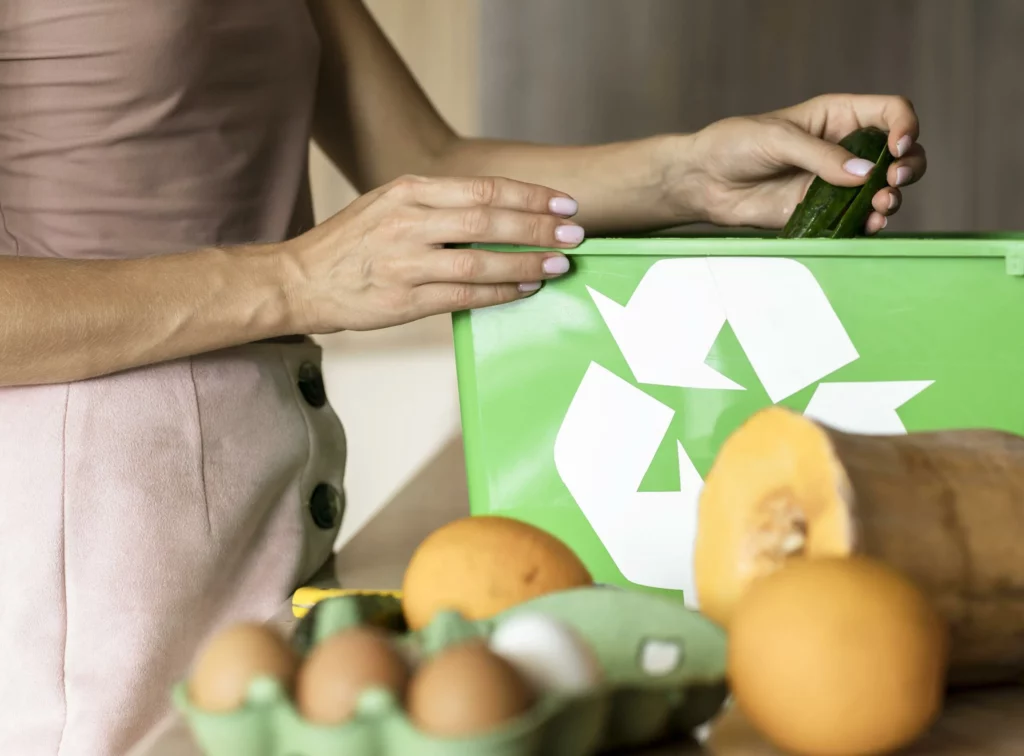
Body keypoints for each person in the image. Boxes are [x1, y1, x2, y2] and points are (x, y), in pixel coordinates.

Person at [0, 1, 927, 753]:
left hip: (273, 474)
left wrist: (688, 176)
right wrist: (294, 279)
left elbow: (424, 162)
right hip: (90, 531)